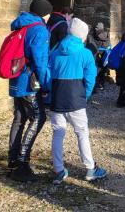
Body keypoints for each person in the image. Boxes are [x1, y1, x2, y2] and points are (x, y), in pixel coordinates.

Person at [48, 17, 107, 184]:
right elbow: (90, 78)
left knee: (58, 134)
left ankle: (58, 170)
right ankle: (90, 169)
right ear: (83, 36)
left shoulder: (55, 51)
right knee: (82, 134)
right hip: (76, 100)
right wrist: (85, 95)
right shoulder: (85, 53)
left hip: (57, 99)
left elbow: (47, 75)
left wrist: (51, 91)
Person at [8, 0, 52, 182]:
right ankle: (22, 164)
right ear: (44, 13)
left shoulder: (21, 24)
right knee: (38, 117)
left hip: (16, 77)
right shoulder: (39, 29)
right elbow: (40, 62)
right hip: (29, 81)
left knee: (19, 118)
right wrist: (47, 85)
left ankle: (13, 159)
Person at [86, 22, 111, 91]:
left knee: (94, 69)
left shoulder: (92, 34)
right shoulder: (106, 34)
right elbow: (108, 45)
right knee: (103, 68)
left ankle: (94, 85)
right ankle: (101, 84)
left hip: (95, 53)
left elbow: (91, 44)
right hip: (104, 54)